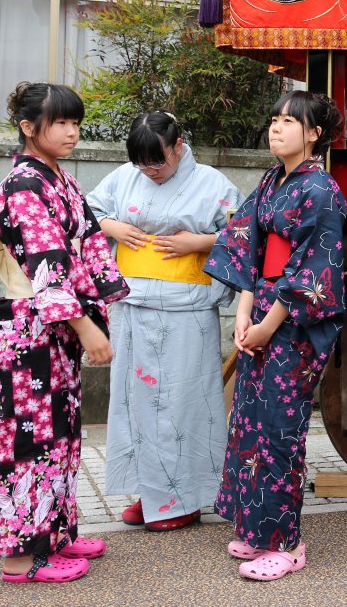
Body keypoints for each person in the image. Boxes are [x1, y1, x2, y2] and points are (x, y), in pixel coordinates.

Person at [0, 82, 129, 583]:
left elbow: (89, 239)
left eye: (75, 122)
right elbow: (47, 263)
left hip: (55, 324)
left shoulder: (57, 178)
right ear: (29, 128)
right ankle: (19, 558)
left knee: (62, 429)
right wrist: (87, 326)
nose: (71, 132)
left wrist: (103, 301)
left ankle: (55, 534)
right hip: (31, 324)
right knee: (29, 434)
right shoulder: (23, 185)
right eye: (60, 123)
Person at [205, 90, 346, 582]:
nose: (277, 128)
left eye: (290, 121)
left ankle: (286, 543)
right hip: (262, 309)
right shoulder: (270, 181)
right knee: (248, 420)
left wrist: (268, 325)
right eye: (275, 119)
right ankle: (256, 527)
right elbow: (245, 243)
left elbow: (313, 267)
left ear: (313, 133)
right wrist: (244, 315)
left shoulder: (321, 190)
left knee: (280, 430)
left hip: (293, 322)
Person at [87, 112, 242, 530]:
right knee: (135, 402)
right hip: (132, 306)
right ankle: (149, 492)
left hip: (186, 310)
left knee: (182, 403)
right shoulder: (123, 177)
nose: (152, 172)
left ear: (178, 146)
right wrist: (114, 226)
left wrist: (201, 241)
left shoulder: (212, 183)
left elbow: (244, 234)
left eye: (160, 163)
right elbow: (87, 214)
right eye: (143, 165)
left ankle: (182, 498)